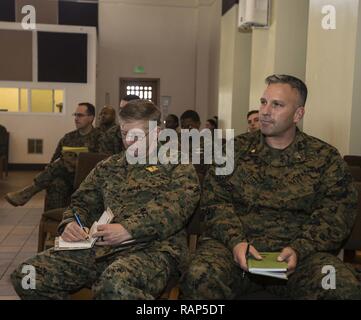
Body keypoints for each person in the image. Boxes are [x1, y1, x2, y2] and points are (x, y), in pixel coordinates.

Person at [180, 74, 361, 299]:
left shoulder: (324, 158)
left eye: (277, 105)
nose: (265, 111)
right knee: (199, 276)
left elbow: (336, 215)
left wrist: (300, 248)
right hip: (233, 252)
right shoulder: (232, 151)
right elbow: (215, 202)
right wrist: (236, 242)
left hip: (299, 259)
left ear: (298, 114)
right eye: (263, 102)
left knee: (338, 285)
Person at [11, 99, 200, 300]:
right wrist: (70, 223)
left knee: (114, 285)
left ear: (157, 133)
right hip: (102, 249)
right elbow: (81, 202)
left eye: (136, 135)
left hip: (155, 250)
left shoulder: (177, 164)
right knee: (27, 275)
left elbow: (176, 207)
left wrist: (129, 229)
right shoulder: (109, 166)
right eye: (124, 134)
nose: (128, 141)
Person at [5, 103, 104, 210]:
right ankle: (52, 219)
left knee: (62, 162)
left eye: (80, 115)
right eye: (75, 115)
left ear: (91, 118)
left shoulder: (100, 137)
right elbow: (53, 161)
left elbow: (101, 162)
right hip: (67, 177)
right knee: (56, 183)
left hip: (87, 177)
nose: (76, 118)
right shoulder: (68, 138)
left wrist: (78, 161)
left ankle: (28, 192)